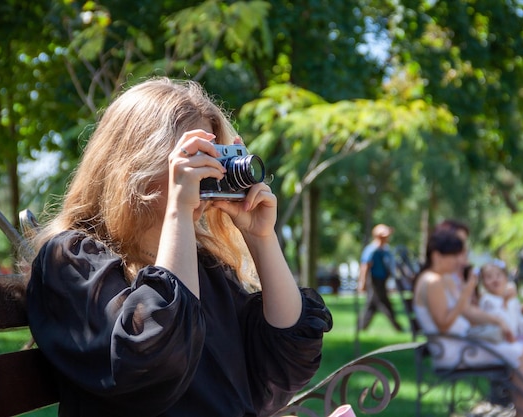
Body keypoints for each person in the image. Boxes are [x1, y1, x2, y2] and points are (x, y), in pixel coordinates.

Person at [23, 77, 333, 417]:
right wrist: (178, 210)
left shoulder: (205, 267)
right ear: (137, 165)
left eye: (213, 160)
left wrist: (261, 240)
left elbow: (285, 361)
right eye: (193, 160)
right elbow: (152, 360)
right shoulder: (72, 260)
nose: (205, 175)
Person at [413, 228, 523, 416]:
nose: (459, 261)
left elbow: (467, 311)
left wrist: (497, 321)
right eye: (454, 255)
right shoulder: (432, 282)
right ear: (437, 256)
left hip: (465, 344)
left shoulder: (441, 279)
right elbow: (444, 324)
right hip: (455, 351)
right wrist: (466, 292)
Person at [478, 262, 523, 371]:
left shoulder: (512, 300)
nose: (495, 279)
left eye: (498, 275)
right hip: (502, 344)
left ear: (505, 278)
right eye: (489, 277)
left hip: (516, 340)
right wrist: (504, 301)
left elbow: (519, 322)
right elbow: (507, 327)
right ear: (483, 283)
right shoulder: (487, 301)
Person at [357, 223, 403, 332]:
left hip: (382, 281)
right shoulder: (371, 250)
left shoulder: (386, 249)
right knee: (383, 303)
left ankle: (361, 327)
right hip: (374, 281)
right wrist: (362, 283)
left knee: (372, 305)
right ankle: (397, 327)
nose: (388, 238)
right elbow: (365, 267)